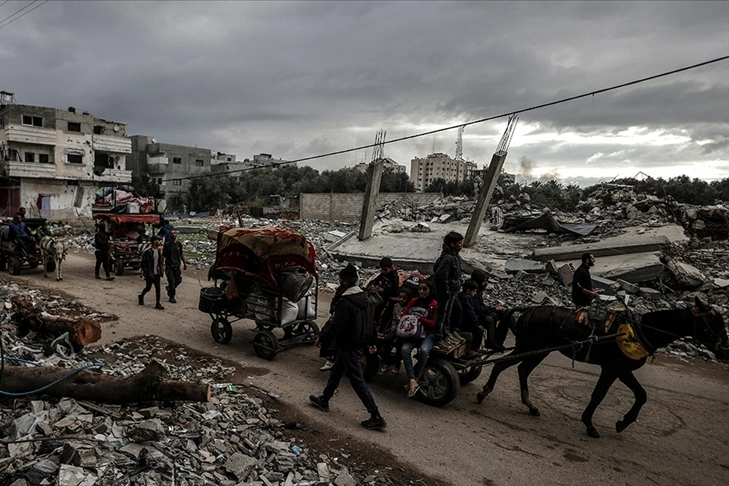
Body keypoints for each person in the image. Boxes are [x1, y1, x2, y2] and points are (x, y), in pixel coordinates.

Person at [309, 264, 387, 431]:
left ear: (344, 282)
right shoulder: (365, 298)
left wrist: (322, 338)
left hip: (350, 344)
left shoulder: (345, 301)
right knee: (337, 371)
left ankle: (376, 416)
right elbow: (372, 322)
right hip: (356, 343)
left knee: (357, 381)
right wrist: (372, 341)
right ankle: (325, 399)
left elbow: (337, 324)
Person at [400, 279, 439, 398]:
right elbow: (404, 315)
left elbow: (433, 324)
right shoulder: (413, 301)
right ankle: (412, 379)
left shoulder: (434, 304)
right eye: (420, 289)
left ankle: (416, 377)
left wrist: (420, 319)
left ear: (430, 290)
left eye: (425, 289)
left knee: (424, 351)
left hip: (428, 333)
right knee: (405, 350)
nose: (422, 292)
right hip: (414, 333)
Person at [433, 231, 465, 347]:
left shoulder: (455, 257)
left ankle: (446, 335)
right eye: (459, 243)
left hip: (452, 292)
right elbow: (441, 276)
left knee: (448, 315)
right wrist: (445, 291)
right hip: (446, 293)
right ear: (452, 244)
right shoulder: (448, 259)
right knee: (441, 316)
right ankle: (439, 338)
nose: (461, 245)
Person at [378, 287, 412, 375]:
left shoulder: (410, 309)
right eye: (400, 297)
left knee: (399, 344)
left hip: (405, 330)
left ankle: (397, 366)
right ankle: (387, 362)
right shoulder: (396, 306)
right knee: (387, 339)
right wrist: (393, 330)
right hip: (397, 329)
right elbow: (394, 320)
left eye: (404, 298)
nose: (401, 300)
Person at [471, 269, 507, 351]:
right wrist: (494, 309)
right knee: (491, 318)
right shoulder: (473, 293)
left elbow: (482, 305)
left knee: (505, 313)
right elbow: (478, 309)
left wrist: (495, 308)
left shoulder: (479, 292)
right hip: (476, 317)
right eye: (484, 281)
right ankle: (490, 341)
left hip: (480, 313)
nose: (486, 283)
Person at [367, 257, 400, 332]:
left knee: (383, 313)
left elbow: (395, 290)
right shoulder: (384, 273)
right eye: (382, 269)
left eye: (385, 270)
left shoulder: (394, 276)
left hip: (390, 298)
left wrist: (384, 291)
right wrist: (373, 285)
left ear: (390, 268)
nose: (383, 271)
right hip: (383, 295)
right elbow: (376, 279)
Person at [458, 279, 486, 357]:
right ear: (468, 291)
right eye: (474, 291)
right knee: (478, 331)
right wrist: (477, 324)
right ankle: (472, 349)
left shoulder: (463, 296)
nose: (475, 293)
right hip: (464, 323)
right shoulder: (466, 298)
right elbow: (470, 311)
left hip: (464, 321)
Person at [139, 236, 165, 310]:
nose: (159, 242)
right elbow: (144, 263)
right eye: (158, 240)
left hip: (157, 273)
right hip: (150, 273)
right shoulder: (148, 252)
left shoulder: (158, 251)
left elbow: (160, 262)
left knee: (158, 288)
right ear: (154, 241)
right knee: (148, 287)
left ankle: (158, 303)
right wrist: (146, 272)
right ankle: (141, 296)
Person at [162, 230, 187, 303]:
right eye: (171, 234)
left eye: (174, 233)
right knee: (172, 282)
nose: (173, 235)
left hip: (177, 266)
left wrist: (184, 263)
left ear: (177, 234)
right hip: (169, 266)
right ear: (169, 235)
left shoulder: (179, 244)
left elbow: (181, 254)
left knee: (178, 280)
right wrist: (161, 266)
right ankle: (172, 297)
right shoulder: (167, 245)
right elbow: (163, 256)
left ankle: (169, 288)